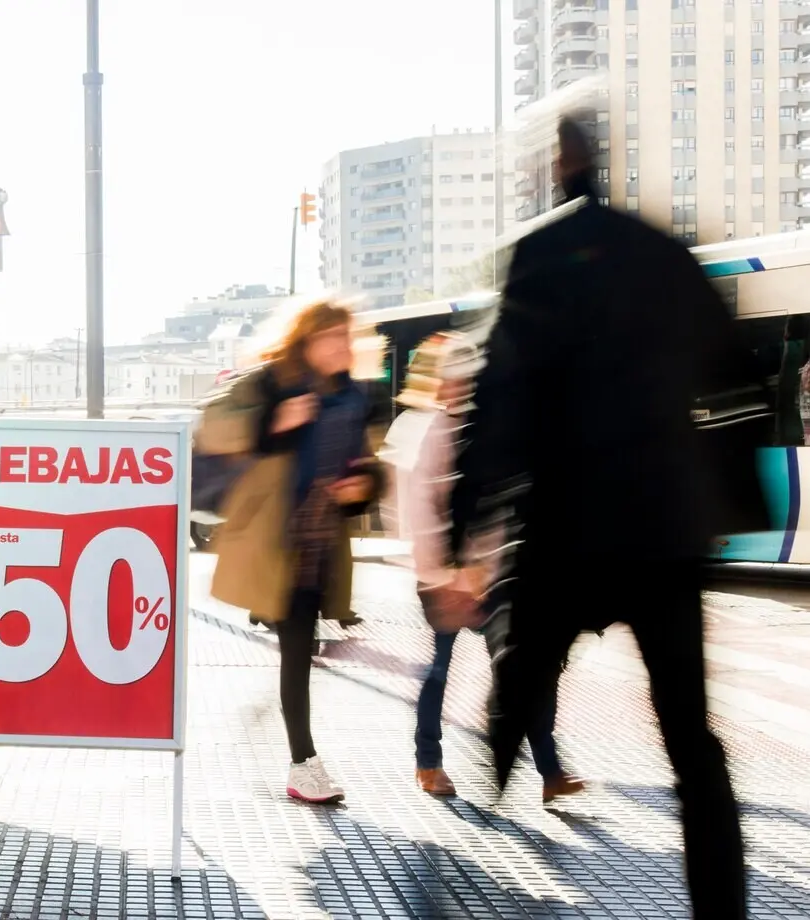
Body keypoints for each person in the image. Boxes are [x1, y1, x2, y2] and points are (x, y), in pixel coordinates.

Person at [450, 116, 759, 919]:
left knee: (528, 659)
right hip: (660, 530)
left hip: (567, 525)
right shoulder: (661, 254)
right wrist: (729, 503)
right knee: (691, 737)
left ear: (559, 167)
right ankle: (721, 906)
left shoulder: (539, 253)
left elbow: (497, 395)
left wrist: (465, 520)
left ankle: (503, 735)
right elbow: (732, 376)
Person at [199, 296, 381, 804]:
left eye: (348, 338)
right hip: (276, 542)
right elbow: (211, 426)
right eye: (333, 337)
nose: (344, 347)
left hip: (323, 543)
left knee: (302, 653)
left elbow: (367, 462)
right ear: (308, 338)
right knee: (297, 656)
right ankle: (304, 763)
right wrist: (273, 423)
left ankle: (302, 759)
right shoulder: (271, 380)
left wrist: (363, 483)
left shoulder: (352, 397)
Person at [393, 332, 583, 801]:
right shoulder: (426, 432)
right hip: (442, 581)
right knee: (439, 670)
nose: (460, 388)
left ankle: (550, 771)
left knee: (518, 668)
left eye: (468, 380)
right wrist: (446, 577)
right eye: (453, 379)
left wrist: (496, 567)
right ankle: (428, 762)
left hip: (491, 579)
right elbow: (418, 512)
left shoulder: (489, 430)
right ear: (437, 382)